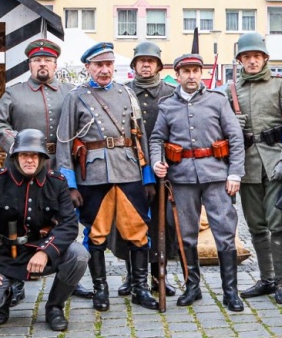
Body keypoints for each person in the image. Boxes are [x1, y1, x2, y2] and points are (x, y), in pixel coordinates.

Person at [57, 42, 158, 313]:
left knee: (138, 232)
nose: (104, 70)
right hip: (94, 175)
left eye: (108, 65)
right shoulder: (76, 97)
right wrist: (69, 183)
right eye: (98, 65)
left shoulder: (127, 94)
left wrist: (147, 176)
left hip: (128, 171)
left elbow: (141, 137)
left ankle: (140, 288)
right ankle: (101, 290)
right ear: (88, 67)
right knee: (96, 235)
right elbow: (64, 142)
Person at [0, 130, 87, 331]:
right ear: (15, 157)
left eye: (34, 155)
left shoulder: (57, 183)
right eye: (24, 155)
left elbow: (68, 224)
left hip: (40, 248)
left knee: (79, 255)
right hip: (4, 253)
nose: (29, 160)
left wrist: (45, 252)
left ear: (42, 158)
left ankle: (54, 308)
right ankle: (3, 299)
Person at [150, 53, 246, 311]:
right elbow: (157, 138)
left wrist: (235, 173)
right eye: (186, 71)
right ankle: (192, 286)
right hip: (181, 178)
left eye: (196, 70)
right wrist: (157, 161)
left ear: (201, 73)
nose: (192, 76)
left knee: (225, 233)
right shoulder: (167, 105)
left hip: (216, 176)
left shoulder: (218, 101)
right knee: (185, 234)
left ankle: (230, 292)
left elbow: (235, 137)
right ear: (178, 75)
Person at [0, 38, 80, 305]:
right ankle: (14, 280)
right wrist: (18, 146)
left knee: (65, 220)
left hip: (61, 163)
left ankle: (68, 277)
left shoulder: (70, 93)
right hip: (23, 165)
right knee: (19, 221)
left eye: (48, 60)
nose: (43, 64)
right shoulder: (14, 93)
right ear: (30, 64)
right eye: (37, 60)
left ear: (55, 64)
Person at [227, 33, 282, 305]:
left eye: (257, 56)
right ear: (241, 60)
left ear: (265, 58)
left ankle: (281, 281)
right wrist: (232, 122)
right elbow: (223, 128)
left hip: (276, 161)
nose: (252, 61)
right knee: (256, 225)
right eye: (247, 57)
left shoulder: (280, 84)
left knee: (279, 225)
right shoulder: (232, 90)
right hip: (247, 165)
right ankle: (266, 278)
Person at [127, 42, 178, 299]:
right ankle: (131, 276)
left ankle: (160, 274)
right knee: (130, 222)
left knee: (161, 224)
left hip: (163, 167)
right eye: (141, 61)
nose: (145, 65)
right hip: (129, 168)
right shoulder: (123, 92)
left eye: (150, 61)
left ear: (158, 65)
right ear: (134, 65)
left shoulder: (171, 93)